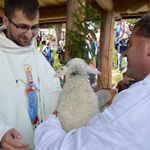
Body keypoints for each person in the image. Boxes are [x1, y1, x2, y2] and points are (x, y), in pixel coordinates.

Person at [34, 13, 150, 150]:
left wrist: (52, 120)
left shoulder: (136, 106)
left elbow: (63, 147)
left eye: (130, 45)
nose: (125, 53)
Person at [0, 0, 62, 149]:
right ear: (6, 21)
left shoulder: (37, 56)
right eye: (22, 27)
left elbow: (51, 91)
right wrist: (1, 132)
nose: (29, 35)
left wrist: (65, 99)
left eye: (34, 27)